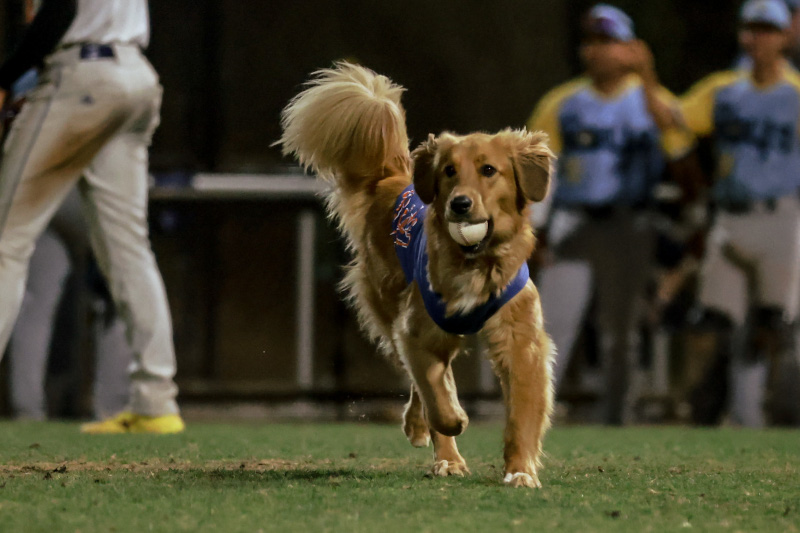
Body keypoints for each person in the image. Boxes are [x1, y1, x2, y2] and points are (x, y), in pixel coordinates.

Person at [0, 0, 184, 433]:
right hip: (135, 75)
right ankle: (156, 401)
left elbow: (60, 8)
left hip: (83, 72)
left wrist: (7, 76)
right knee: (129, 250)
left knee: (6, 242)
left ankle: (154, 400)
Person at [635, 0, 800, 426]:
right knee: (711, 324)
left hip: (781, 216)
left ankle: (763, 420)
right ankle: (709, 415)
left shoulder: (796, 94)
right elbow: (670, 118)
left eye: (768, 29)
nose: (759, 37)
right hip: (729, 218)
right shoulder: (724, 89)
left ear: (785, 37)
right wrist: (646, 73)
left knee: (771, 327)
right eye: (752, 28)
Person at [527, 4, 693, 424]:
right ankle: (530, 412)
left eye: (609, 41)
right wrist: (534, 232)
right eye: (592, 42)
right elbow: (536, 173)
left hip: (630, 223)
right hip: (576, 220)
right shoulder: (563, 103)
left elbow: (684, 158)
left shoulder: (655, 101)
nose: (598, 51)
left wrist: (650, 78)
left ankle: (616, 422)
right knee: (549, 325)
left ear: (631, 48)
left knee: (621, 333)